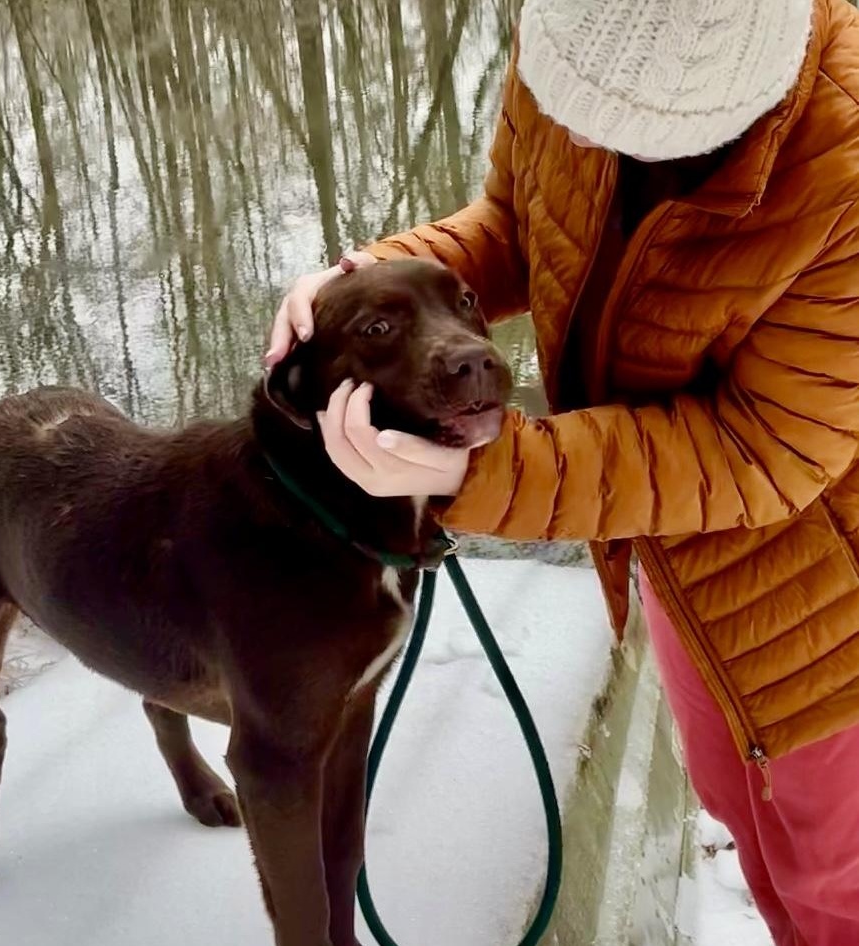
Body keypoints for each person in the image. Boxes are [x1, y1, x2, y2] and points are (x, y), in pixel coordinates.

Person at [268, 1, 859, 942]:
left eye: (628, 132)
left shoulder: (846, 159)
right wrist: (372, 279)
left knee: (839, 881)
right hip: (677, 551)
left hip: (827, 602)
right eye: (573, 108)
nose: (580, 135)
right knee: (749, 820)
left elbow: (768, 448)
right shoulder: (576, 36)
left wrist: (475, 473)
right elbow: (519, 221)